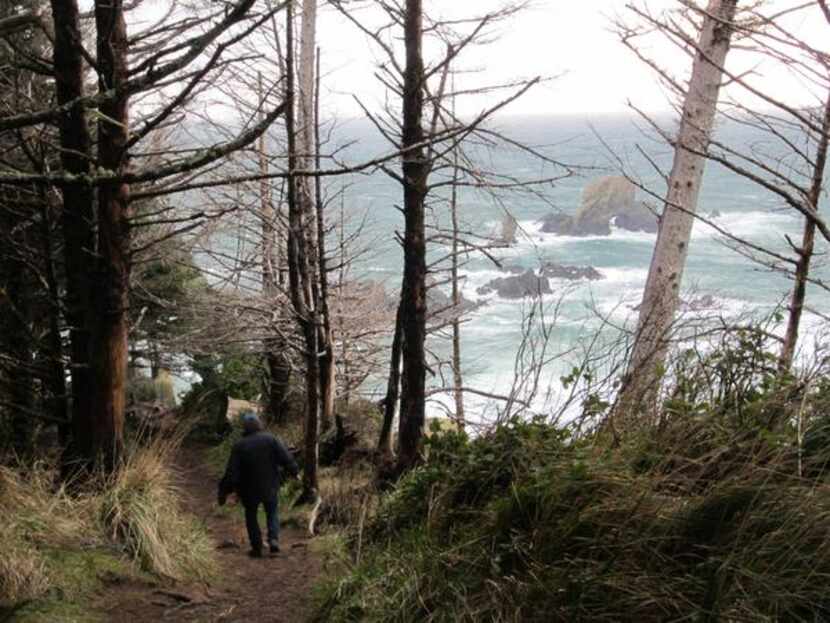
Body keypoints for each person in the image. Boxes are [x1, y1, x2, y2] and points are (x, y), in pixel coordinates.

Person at [217, 411, 299, 558]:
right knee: (272, 512)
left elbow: (231, 472)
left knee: (251, 516)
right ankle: (273, 540)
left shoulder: (239, 446)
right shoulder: (271, 439)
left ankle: (257, 547)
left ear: (245, 427)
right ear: (259, 424)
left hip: (248, 490)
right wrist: (294, 471)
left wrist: (224, 491)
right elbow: (286, 457)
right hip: (270, 485)